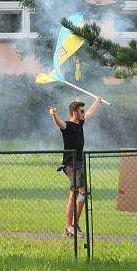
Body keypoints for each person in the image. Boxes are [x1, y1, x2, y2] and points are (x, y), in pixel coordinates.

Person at [49, 97, 102, 237]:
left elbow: (90, 113)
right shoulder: (68, 126)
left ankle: (69, 227)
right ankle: (73, 225)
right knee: (83, 191)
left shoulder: (80, 124)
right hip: (71, 165)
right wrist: (54, 114)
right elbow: (59, 124)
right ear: (74, 112)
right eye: (81, 111)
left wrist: (97, 101)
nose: (84, 113)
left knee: (74, 194)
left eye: (83, 111)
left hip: (78, 163)